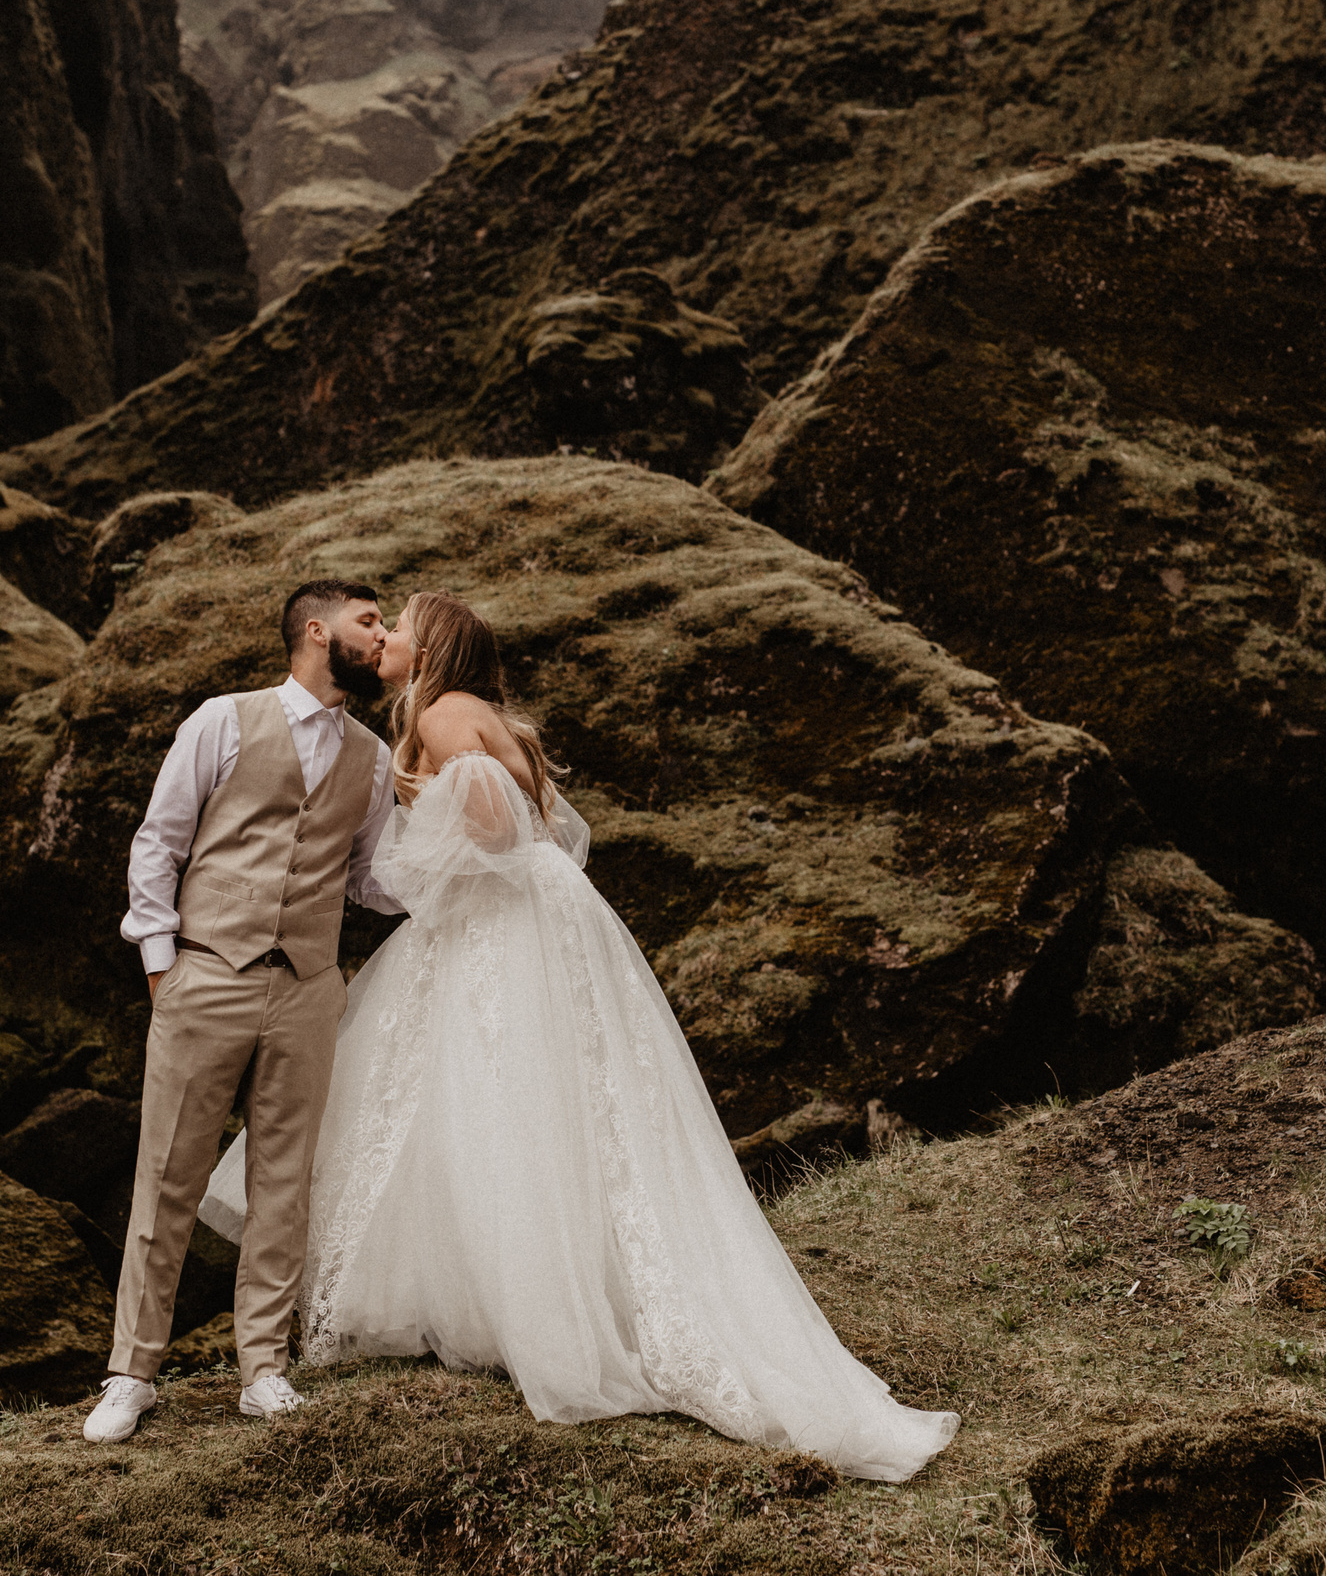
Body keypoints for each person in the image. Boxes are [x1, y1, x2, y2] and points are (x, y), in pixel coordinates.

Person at [198, 591, 958, 1481]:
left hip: (502, 922)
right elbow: (547, 829)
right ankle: (529, 1296)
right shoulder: (492, 719)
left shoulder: (442, 716)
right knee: (550, 1105)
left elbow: (492, 830)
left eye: (399, 625)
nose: (388, 641)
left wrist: (412, 861)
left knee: (495, 1102)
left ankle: (544, 1316)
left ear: (432, 647)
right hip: (549, 914)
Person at [84, 580, 404, 1443]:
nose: (383, 636)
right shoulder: (221, 720)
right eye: (368, 620)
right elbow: (160, 842)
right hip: (206, 976)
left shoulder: (372, 757)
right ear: (315, 629)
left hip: (308, 986)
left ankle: (262, 1367)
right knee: (169, 1176)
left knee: (285, 1180)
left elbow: (370, 880)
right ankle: (131, 1372)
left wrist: (464, 865)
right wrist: (164, 969)